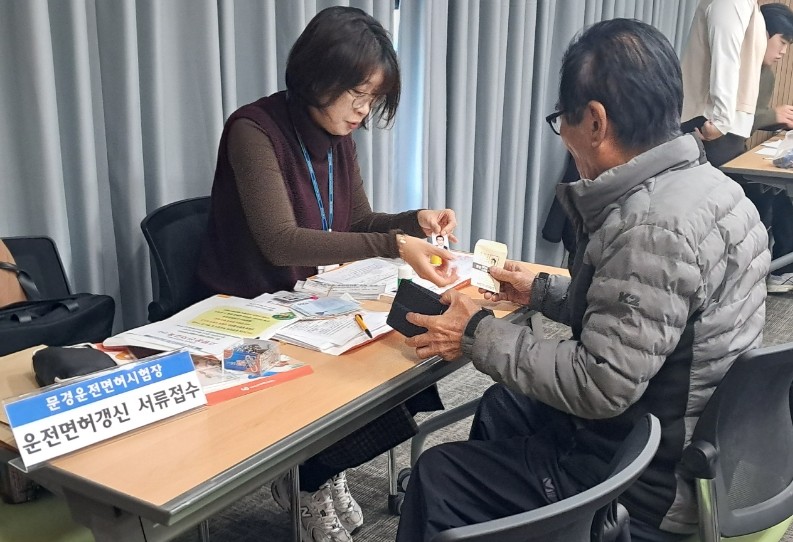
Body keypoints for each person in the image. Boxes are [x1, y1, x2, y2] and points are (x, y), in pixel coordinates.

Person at [396, 18, 769, 542]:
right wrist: (543, 292)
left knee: (440, 476)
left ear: (595, 121)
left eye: (561, 120)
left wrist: (476, 331)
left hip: (644, 484)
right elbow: (655, 320)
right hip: (696, 441)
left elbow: (600, 385)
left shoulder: (650, 228)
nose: (564, 138)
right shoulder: (714, 188)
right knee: (505, 407)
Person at [197, 7, 458, 542]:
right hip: (244, 309)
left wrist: (415, 220)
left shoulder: (339, 137)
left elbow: (357, 221)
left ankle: (319, 468)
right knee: (359, 378)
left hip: (305, 301)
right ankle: (309, 476)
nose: (364, 110)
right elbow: (280, 241)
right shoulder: (253, 130)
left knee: (398, 366)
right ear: (318, 77)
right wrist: (396, 244)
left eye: (373, 98)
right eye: (357, 94)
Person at [681, 0, 767, 168]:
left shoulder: (750, 5)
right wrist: (721, 121)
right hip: (710, 122)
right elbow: (726, 59)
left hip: (725, 126)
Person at [750, 2, 793, 284]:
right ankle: (778, 271)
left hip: (736, 151)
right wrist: (772, 115)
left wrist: (780, 119)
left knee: (782, 197)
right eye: (782, 42)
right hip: (718, 156)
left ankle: (780, 270)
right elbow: (725, 120)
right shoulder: (739, 66)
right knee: (771, 197)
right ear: (762, 35)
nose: (784, 52)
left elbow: (753, 119)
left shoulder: (766, 73)